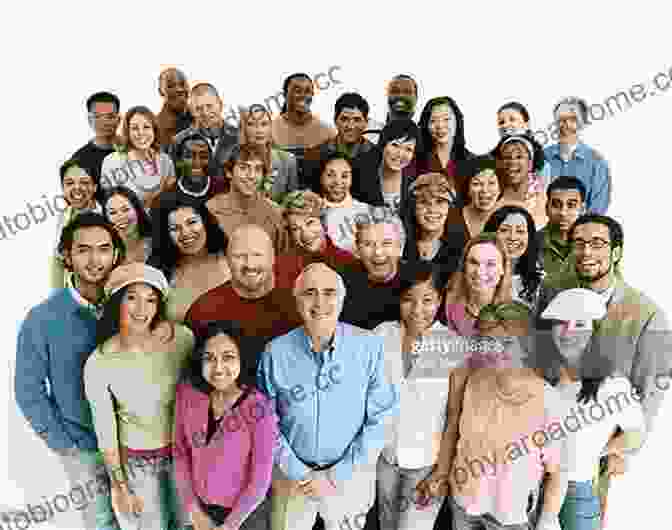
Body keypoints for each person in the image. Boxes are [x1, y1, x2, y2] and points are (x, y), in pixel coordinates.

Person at [257, 262, 399, 530]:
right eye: (309, 292)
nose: (319, 301)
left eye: (329, 292)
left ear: (342, 299)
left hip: (350, 479)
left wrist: (336, 475)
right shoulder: (274, 353)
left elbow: (382, 417)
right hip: (292, 479)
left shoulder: (369, 347)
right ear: (297, 300)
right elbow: (265, 422)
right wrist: (299, 472)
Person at [535, 214, 671, 481]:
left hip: (599, 452)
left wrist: (620, 450)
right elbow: (539, 355)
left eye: (597, 243)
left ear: (616, 252)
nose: (586, 251)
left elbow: (651, 392)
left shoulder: (649, 315)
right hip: (544, 443)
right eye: (579, 243)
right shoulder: (552, 291)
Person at [16, 212, 124, 530]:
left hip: (135, 443)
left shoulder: (134, 307)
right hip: (83, 446)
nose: (95, 259)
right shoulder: (42, 319)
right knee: (101, 522)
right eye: (83, 249)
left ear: (116, 254)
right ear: (67, 256)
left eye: (104, 248)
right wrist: (66, 445)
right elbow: (28, 390)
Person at [421, 304, 569, 530]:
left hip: (510, 519)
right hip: (463, 506)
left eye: (507, 343)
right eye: (488, 341)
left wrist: (547, 520)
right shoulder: (475, 381)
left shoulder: (549, 402)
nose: (495, 350)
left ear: (526, 345)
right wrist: (441, 476)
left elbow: (557, 471)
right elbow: (458, 437)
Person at [84, 263, 195, 530]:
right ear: (116, 302)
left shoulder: (182, 340)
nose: (142, 309)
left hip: (185, 453)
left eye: (151, 300)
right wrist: (119, 486)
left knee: (188, 524)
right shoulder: (98, 362)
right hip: (137, 462)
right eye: (132, 297)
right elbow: (106, 431)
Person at [534, 288, 646, 530]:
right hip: (533, 487)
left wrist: (598, 452)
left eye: (579, 324)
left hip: (576, 494)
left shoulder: (612, 385)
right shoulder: (544, 374)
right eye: (560, 323)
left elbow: (636, 434)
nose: (567, 332)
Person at [174, 320, 277, 530]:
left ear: (242, 359)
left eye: (228, 357)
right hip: (199, 513)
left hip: (246, 515)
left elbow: (260, 480)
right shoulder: (187, 394)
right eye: (209, 358)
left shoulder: (259, 407)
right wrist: (193, 510)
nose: (218, 368)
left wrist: (229, 526)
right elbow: (180, 453)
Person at [373, 262, 453, 530]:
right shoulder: (382, 335)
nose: (418, 310)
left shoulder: (452, 345)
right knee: (386, 524)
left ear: (439, 300)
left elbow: (454, 417)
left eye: (427, 300)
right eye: (409, 299)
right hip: (386, 459)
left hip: (426, 465)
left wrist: (441, 473)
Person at [185, 223, 303, 374]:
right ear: (227, 260)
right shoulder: (203, 311)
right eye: (239, 256)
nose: (250, 264)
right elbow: (195, 374)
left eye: (257, 255)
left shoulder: (299, 297)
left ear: (273, 257)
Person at [148, 192, 230, 323]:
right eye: (175, 228)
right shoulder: (160, 274)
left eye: (191, 222)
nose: (185, 233)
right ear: (166, 236)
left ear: (205, 221)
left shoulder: (231, 256)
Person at [206, 143, 288, 254]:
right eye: (244, 168)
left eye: (258, 169)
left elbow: (281, 260)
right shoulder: (210, 211)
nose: (251, 176)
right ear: (228, 172)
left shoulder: (274, 212)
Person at [339, 208, 406, 330]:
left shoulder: (416, 280)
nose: (378, 252)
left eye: (386, 243)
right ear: (358, 249)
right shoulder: (341, 283)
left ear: (399, 247)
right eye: (368, 244)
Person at [542, 97, 611, 214]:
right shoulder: (543, 157)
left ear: (583, 123)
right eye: (561, 120)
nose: (566, 125)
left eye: (573, 120)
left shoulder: (597, 162)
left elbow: (598, 207)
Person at [101, 106, 175, 208]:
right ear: (128, 132)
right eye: (135, 128)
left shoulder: (165, 161)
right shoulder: (112, 162)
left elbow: (171, 200)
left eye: (146, 127)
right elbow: (109, 203)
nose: (141, 133)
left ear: (154, 129)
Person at [302, 93, 375, 190]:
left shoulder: (378, 157)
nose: (350, 126)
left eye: (357, 120)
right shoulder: (315, 156)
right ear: (335, 121)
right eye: (344, 119)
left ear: (366, 123)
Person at [442, 157, 502, 274]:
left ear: (500, 188)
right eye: (477, 183)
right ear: (467, 189)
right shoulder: (449, 218)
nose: (485, 190)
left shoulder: (508, 220)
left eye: (491, 183)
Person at [280, 190, 357, 282]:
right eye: (295, 229)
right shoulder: (284, 268)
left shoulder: (348, 262)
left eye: (310, 223)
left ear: (324, 224)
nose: (306, 235)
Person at [50, 159, 104, 290]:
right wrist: (56, 296)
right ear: (63, 188)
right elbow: (58, 259)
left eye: (84, 182)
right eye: (69, 183)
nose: (77, 188)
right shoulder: (65, 215)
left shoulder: (107, 216)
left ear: (95, 187)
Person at [351, 118, 420, 216]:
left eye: (408, 149)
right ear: (383, 145)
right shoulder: (359, 172)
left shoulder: (414, 182)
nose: (400, 154)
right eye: (395, 145)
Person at [402, 172, 460, 282]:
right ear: (413, 208)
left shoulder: (460, 249)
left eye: (440, 202)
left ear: (450, 207)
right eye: (424, 202)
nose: (432, 209)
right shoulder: (400, 246)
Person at [484, 205, 544, 309]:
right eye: (504, 230)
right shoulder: (478, 274)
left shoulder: (540, 280)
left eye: (520, 231)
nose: (512, 237)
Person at [235, 103, 299, 200]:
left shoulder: (287, 160)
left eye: (264, 124)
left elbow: (293, 201)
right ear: (243, 128)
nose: (259, 130)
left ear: (271, 127)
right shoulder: (234, 160)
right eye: (251, 124)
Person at [412, 96, 474, 195]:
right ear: (426, 126)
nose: (440, 125)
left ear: (457, 121)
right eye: (433, 120)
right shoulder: (415, 161)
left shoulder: (471, 161)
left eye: (446, 119)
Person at [316, 153, 372, 255]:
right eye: (330, 175)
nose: (338, 181)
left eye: (344, 176)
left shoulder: (366, 211)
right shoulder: (312, 211)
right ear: (320, 176)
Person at [171, 83, 240, 167]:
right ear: (192, 111)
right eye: (198, 108)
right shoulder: (179, 141)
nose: (205, 113)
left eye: (209, 106)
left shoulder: (239, 136)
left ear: (220, 105)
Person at [271, 73, 336, 159]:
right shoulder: (270, 130)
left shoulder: (328, 132)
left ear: (312, 95)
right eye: (297, 91)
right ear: (285, 95)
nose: (303, 95)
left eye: (308, 91)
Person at [495, 133, 548, 229]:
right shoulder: (492, 198)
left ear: (530, 163)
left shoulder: (546, 199)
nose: (512, 162)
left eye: (519, 157)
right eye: (507, 157)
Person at [71, 92, 122, 190]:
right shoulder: (80, 160)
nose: (104, 122)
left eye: (110, 116)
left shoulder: (132, 149)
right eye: (97, 116)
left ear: (118, 119)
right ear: (90, 120)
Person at [536, 177, 586, 277]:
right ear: (546, 208)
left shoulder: (596, 245)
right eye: (556, 205)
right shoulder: (531, 242)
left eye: (571, 205)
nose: (563, 213)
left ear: (582, 209)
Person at [162, 130, 228, 202]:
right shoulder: (167, 197)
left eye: (204, 156)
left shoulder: (222, 190)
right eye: (189, 156)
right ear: (179, 161)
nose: (197, 162)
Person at [101, 186, 153, 265]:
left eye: (125, 210)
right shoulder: (107, 255)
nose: (120, 217)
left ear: (137, 210)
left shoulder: (157, 241)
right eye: (113, 213)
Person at [156, 67, 192, 147]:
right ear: (161, 92)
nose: (179, 89)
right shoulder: (154, 127)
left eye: (183, 84)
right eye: (171, 86)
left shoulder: (201, 117)